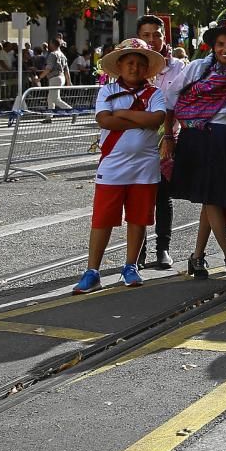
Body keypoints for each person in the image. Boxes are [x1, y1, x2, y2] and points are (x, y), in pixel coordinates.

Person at [71, 39, 168, 294]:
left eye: (139, 64)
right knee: (102, 219)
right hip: (112, 165)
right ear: (120, 66)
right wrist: (139, 119)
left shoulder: (154, 93)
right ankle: (92, 270)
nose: (134, 68)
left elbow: (157, 118)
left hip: (145, 166)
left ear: (147, 69)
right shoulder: (107, 91)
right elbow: (105, 121)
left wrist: (122, 114)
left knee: (138, 218)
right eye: (129, 63)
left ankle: (131, 265)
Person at [170, 17, 226, 280]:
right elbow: (173, 96)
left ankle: (197, 257)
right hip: (200, 136)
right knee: (211, 198)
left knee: (213, 199)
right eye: (220, 44)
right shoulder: (197, 69)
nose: (225, 50)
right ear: (213, 46)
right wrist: (174, 131)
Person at [136, 14, 186, 271]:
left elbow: (178, 105)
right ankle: (138, 251)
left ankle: (163, 248)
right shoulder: (132, 64)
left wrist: (170, 137)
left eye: (157, 34)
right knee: (138, 197)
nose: (152, 40)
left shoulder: (177, 67)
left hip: (166, 139)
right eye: (146, 35)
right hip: (135, 140)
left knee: (162, 196)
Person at [39, 37, 72, 112]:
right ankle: (49, 116)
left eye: (50, 43)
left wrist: (40, 77)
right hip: (61, 77)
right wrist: (68, 81)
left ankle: (71, 110)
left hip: (55, 78)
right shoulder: (63, 55)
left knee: (55, 99)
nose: (49, 45)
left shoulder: (53, 54)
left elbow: (48, 68)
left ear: (53, 44)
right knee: (51, 98)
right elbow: (66, 70)